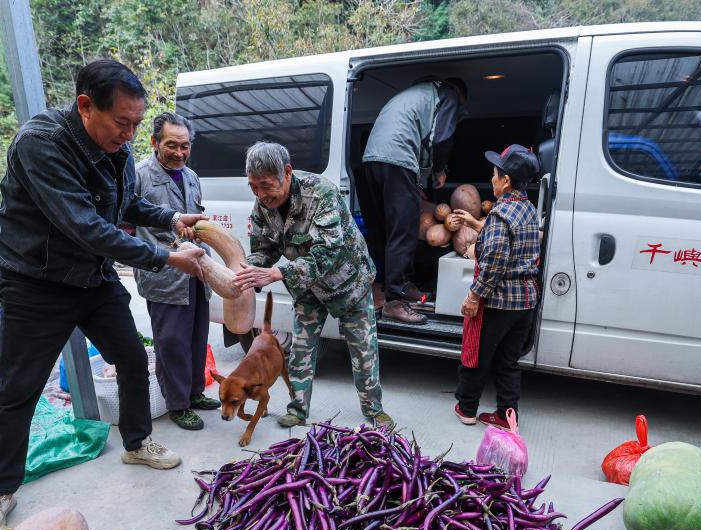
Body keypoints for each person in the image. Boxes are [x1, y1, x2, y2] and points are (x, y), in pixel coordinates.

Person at [0, 59, 207, 530]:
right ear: (85, 106)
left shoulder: (115, 147)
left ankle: (137, 442)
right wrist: (165, 257)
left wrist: (171, 217)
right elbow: (86, 224)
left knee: (130, 358)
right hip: (36, 282)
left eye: (137, 125)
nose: (130, 134)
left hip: (92, 279)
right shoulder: (41, 144)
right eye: (123, 123)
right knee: (18, 387)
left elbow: (124, 207)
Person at [233, 141, 393, 429]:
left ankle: (374, 408)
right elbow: (264, 247)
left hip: (348, 282)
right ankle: (298, 409)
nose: (261, 195)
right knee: (302, 348)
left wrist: (280, 274)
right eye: (253, 187)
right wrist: (249, 269)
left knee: (363, 350)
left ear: (287, 172)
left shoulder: (322, 193)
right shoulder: (262, 205)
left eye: (266, 186)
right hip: (307, 285)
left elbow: (328, 251)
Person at [133, 112, 221, 431]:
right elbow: (129, 224)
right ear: (155, 142)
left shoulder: (191, 175)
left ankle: (195, 392)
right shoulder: (138, 175)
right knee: (171, 341)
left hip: (197, 269)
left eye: (185, 146)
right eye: (172, 145)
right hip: (164, 273)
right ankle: (177, 404)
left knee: (197, 335)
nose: (179, 153)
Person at [357, 77, 467, 325]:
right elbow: (441, 138)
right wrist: (439, 170)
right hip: (397, 161)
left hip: (369, 164)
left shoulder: (414, 95)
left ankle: (396, 285)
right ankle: (395, 302)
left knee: (382, 231)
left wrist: (414, 182)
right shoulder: (448, 94)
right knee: (404, 231)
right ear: (459, 94)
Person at [450, 144, 540, 428]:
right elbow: (511, 244)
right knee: (508, 361)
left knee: (477, 356)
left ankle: (466, 408)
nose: (491, 179)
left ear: (506, 180)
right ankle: (506, 415)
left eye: (494, 174)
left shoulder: (501, 215)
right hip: (524, 302)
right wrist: (478, 225)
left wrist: (474, 296)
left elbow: (495, 262)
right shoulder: (528, 210)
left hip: (499, 302)